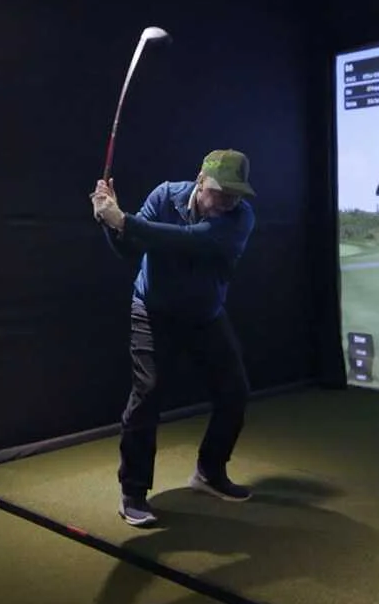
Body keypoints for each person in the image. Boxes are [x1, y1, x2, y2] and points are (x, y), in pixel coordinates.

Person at [90, 149, 257, 527]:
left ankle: (209, 472)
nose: (228, 201)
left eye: (236, 194)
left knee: (234, 392)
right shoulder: (165, 196)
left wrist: (124, 220)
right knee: (148, 393)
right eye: (220, 192)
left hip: (205, 315)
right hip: (153, 310)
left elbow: (189, 240)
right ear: (200, 180)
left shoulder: (240, 220)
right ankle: (132, 492)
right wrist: (109, 221)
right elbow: (130, 248)